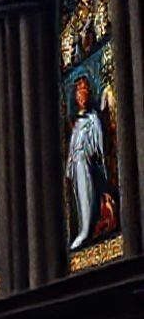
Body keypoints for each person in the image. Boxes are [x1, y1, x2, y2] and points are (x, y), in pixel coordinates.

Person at [65, 74, 107, 250]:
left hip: (85, 163)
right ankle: (82, 230)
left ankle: (86, 232)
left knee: (87, 197)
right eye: (78, 92)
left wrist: (89, 153)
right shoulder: (76, 123)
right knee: (78, 199)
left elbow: (99, 146)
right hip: (76, 165)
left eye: (84, 91)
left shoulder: (93, 118)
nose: (82, 95)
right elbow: (72, 146)